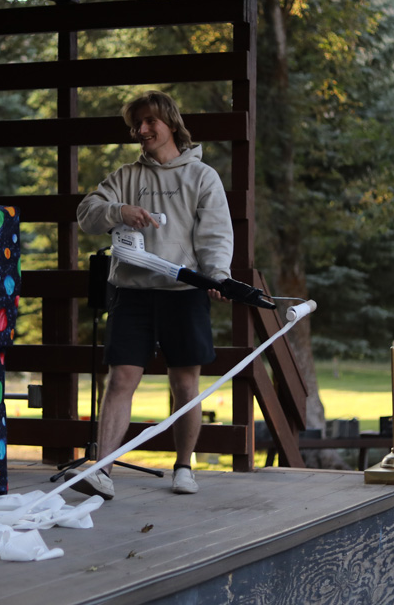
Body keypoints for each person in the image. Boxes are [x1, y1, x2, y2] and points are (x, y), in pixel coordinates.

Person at [69, 90, 234, 499]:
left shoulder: (202, 176)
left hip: (184, 291)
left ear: (171, 123)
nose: (141, 130)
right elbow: (86, 214)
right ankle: (102, 470)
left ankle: (184, 468)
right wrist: (118, 211)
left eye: (148, 122)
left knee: (185, 384)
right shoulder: (125, 176)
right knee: (121, 379)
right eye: (135, 124)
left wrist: (217, 276)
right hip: (131, 293)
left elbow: (215, 235)